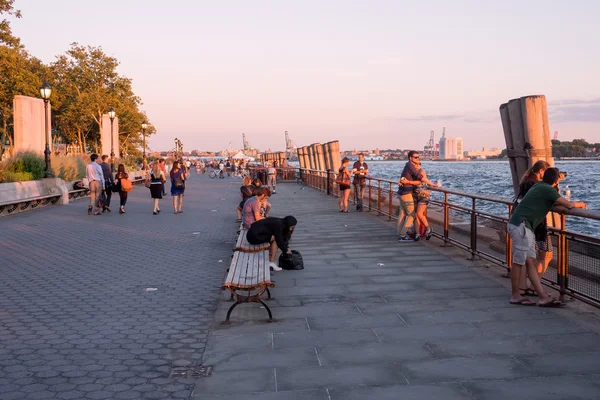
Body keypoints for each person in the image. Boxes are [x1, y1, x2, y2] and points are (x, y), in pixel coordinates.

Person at [508, 167, 587, 307]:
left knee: (531, 262)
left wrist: (556, 182)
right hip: (522, 227)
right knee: (518, 263)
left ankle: (543, 297)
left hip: (524, 227)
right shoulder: (547, 189)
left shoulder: (540, 185)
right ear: (556, 180)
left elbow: (554, 199)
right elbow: (568, 204)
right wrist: (581, 204)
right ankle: (515, 295)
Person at [514, 160, 552, 295]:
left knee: (526, 258)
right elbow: (551, 200)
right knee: (545, 255)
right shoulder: (538, 186)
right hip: (537, 225)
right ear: (542, 171)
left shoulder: (525, 182)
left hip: (523, 223)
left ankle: (524, 287)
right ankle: (535, 287)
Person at [397, 151, 424, 242]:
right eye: (415, 157)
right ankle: (403, 235)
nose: (417, 159)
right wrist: (433, 184)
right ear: (410, 158)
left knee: (402, 213)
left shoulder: (407, 166)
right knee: (411, 214)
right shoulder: (410, 166)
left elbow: (403, 178)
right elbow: (420, 177)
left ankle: (400, 233)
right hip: (406, 193)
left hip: (402, 192)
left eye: (418, 157)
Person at [414, 164, 438, 240]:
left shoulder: (421, 171)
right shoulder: (411, 173)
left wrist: (433, 184)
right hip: (415, 196)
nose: (415, 166)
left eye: (417, 165)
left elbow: (424, 179)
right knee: (416, 215)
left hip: (424, 195)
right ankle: (417, 234)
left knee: (419, 213)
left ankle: (428, 229)